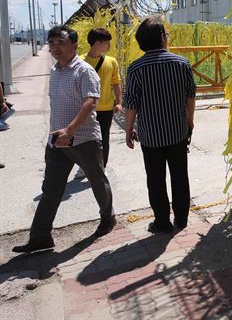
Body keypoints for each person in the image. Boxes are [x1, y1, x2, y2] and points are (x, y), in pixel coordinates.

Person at [12, 26, 116, 253]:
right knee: (51, 189)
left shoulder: (85, 71)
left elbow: (90, 102)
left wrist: (70, 130)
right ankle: (40, 236)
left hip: (84, 139)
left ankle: (108, 218)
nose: (55, 48)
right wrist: (61, 133)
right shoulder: (56, 71)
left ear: (74, 46)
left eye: (60, 43)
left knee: (97, 181)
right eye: (52, 44)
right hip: (58, 140)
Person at [124, 17, 196, 233]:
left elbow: (131, 104)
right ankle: (182, 219)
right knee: (180, 176)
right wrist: (190, 120)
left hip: (150, 135)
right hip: (177, 131)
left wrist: (129, 129)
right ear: (163, 37)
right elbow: (190, 96)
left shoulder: (136, 68)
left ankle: (162, 222)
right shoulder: (181, 63)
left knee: (155, 179)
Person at [72, 28, 122, 180]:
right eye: (106, 43)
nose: (109, 46)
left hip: (106, 108)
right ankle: (83, 167)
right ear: (97, 43)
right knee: (83, 140)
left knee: (103, 140)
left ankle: (101, 167)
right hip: (85, 109)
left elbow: (116, 83)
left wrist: (118, 102)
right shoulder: (79, 61)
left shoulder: (111, 61)